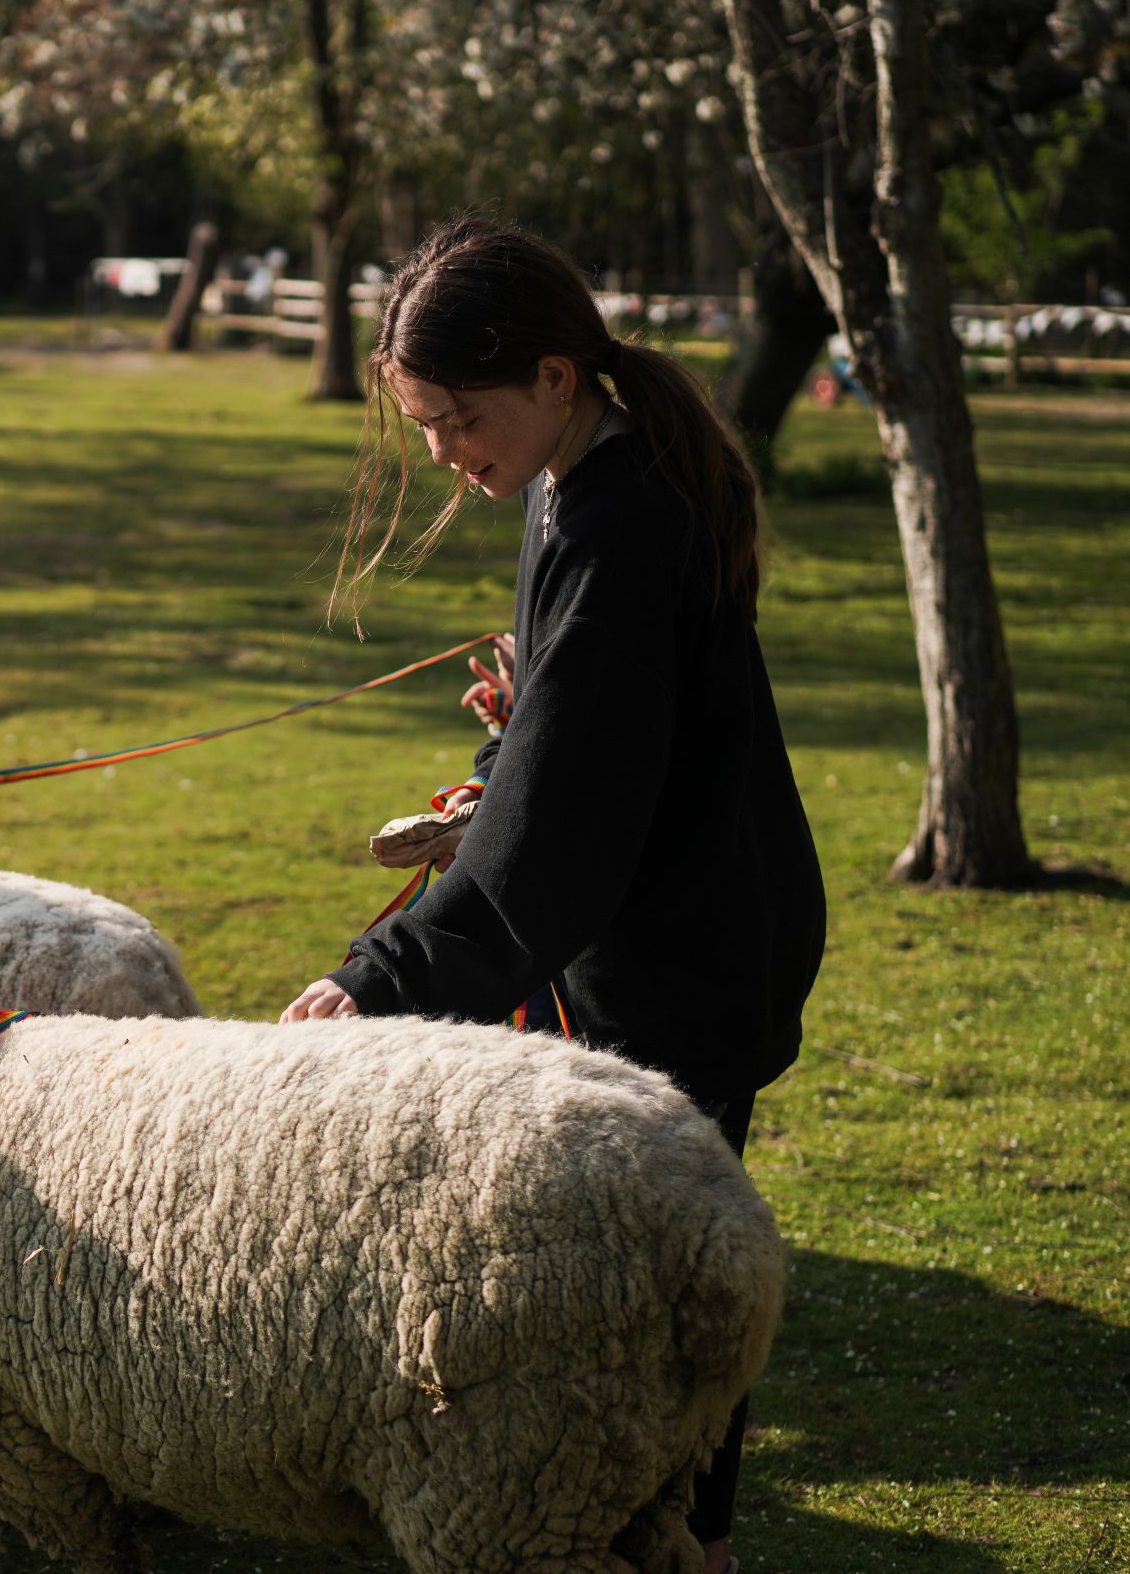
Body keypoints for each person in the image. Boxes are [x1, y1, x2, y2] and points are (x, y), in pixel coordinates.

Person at [279, 214, 826, 1574]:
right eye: (421, 429)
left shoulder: (624, 520)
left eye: (458, 419)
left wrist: (379, 977)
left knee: (661, 1300)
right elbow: (599, 736)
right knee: (629, 1280)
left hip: (682, 958)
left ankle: (682, 1544)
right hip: (682, 928)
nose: (443, 456)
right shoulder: (581, 484)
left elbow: (564, 836)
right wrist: (525, 726)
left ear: (552, 382)